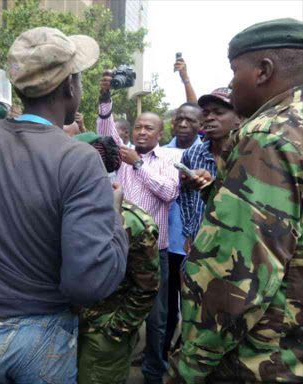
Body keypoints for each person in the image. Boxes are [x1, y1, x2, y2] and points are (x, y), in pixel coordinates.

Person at [0, 27, 128, 384]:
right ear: (69, 86)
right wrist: (114, 216)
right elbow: (89, 282)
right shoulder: (78, 159)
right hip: (43, 336)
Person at [169, 18, 303, 383]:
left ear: (263, 71)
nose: (231, 83)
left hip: (266, 358)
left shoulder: (270, 136)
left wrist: (189, 365)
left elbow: (236, 279)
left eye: (234, 70)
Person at [98, 70, 180, 384]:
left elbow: (169, 192)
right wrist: (105, 97)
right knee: (119, 311)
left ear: (160, 133)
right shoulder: (121, 153)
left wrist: (137, 164)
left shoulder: (167, 160)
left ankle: (153, 373)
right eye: (138, 127)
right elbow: (106, 130)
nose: (142, 131)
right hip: (122, 249)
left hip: (154, 254)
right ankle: (114, 368)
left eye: (149, 128)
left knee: (157, 320)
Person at [75, 131, 160, 384]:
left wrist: (115, 330)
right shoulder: (64, 211)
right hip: (66, 326)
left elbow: (146, 288)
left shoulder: (134, 222)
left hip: (104, 334)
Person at [162, 102, 203, 360]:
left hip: (194, 245)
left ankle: (185, 353)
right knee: (166, 306)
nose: (184, 124)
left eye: (190, 120)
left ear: (200, 126)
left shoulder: (206, 154)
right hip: (166, 243)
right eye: (179, 119)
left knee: (192, 306)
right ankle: (160, 350)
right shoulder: (162, 153)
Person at [179, 88, 241, 256]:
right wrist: (190, 232)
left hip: (236, 247)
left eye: (218, 112)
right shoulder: (191, 154)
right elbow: (185, 197)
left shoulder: (247, 154)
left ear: (238, 119)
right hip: (200, 243)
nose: (209, 118)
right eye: (205, 113)